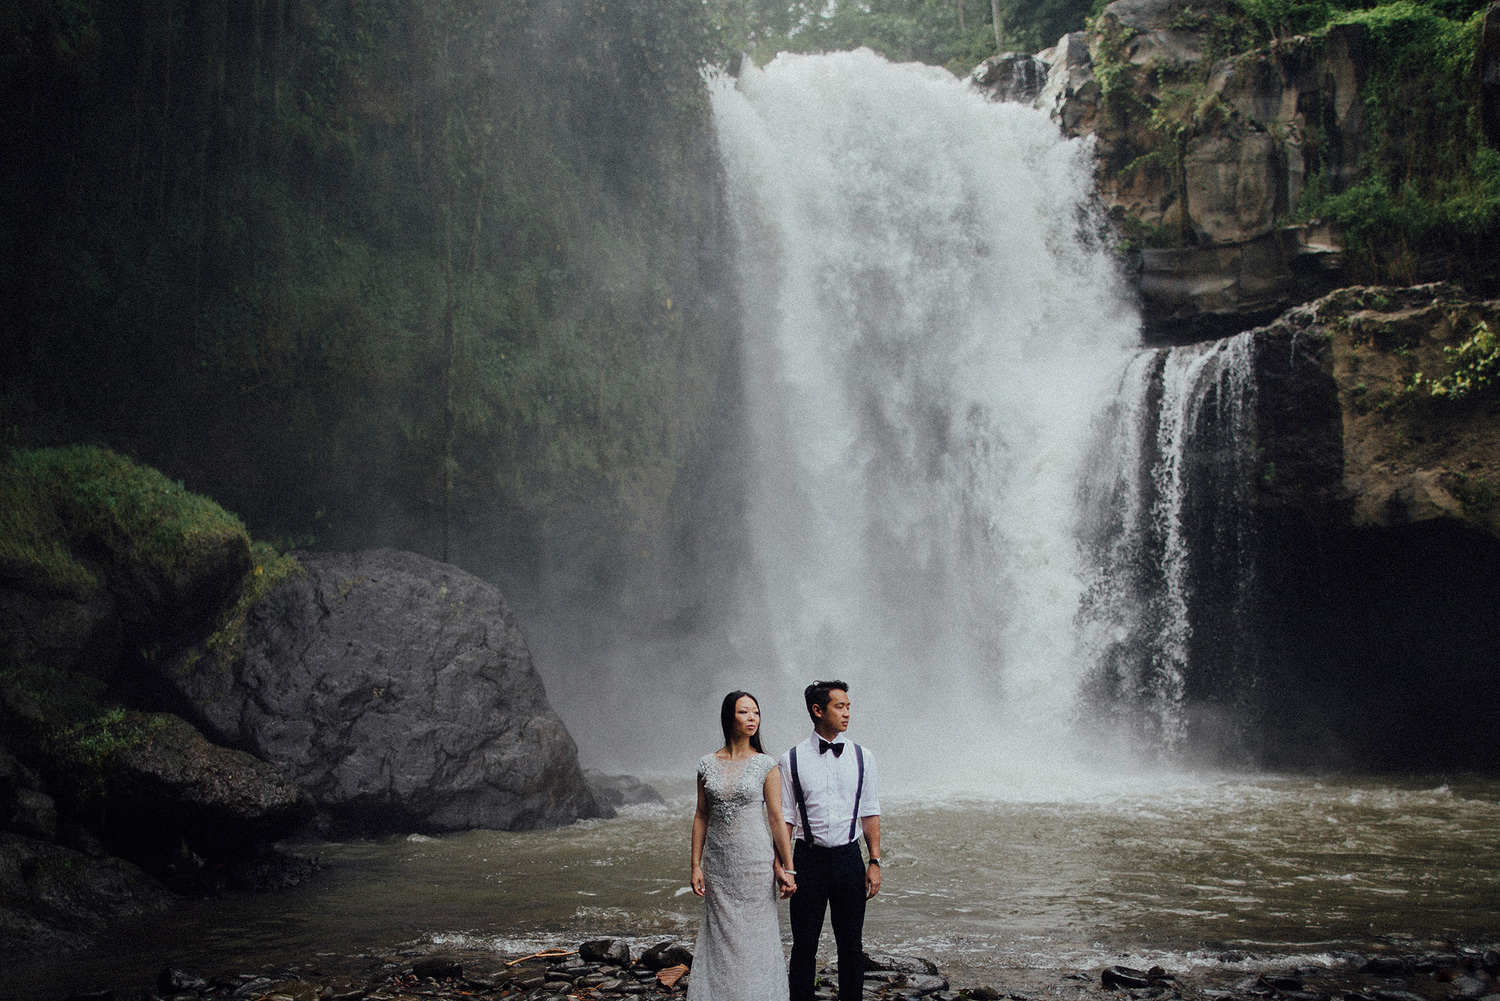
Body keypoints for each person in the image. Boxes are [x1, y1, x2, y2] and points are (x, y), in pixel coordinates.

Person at [689, 691, 799, 1001]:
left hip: (753, 861)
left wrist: (787, 867)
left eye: (756, 713)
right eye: (744, 712)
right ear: (729, 717)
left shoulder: (766, 765)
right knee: (721, 935)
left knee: (755, 935)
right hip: (717, 863)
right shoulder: (707, 764)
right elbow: (700, 816)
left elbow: (777, 820)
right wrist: (695, 865)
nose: (752, 718)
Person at [778, 681, 881, 1001]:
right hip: (808, 859)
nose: (847, 713)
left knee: (851, 944)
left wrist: (875, 861)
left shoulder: (863, 757)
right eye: (840, 707)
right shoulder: (790, 759)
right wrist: (786, 866)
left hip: (850, 858)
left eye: (849, 706)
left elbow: (870, 812)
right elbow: (785, 818)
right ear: (817, 710)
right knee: (804, 944)